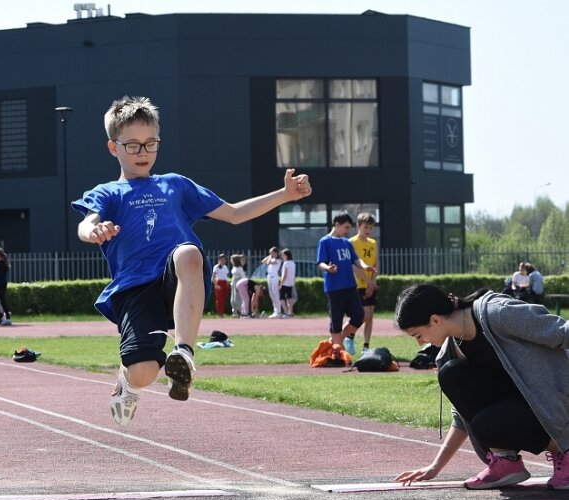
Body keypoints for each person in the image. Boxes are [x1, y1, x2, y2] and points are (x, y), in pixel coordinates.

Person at [72, 95, 311, 427]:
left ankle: (183, 352)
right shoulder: (109, 192)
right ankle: (127, 381)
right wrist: (93, 230)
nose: (143, 153)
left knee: (188, 253)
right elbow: (86, 222)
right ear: (114, 147)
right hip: (134, 288)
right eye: (133, 146)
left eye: (150, 144)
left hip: (175, 274)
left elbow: (235, 213)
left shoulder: (176, 185)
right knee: (144, 374)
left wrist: (285, 195)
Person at [393, 284, 569, 490]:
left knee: (484, 423)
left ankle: (564, 450)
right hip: (528, 409)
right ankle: (505, 462)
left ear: (435, 320)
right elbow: (462, 417)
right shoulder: (450, 351)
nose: (420, 343)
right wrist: (435, 467)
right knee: (451, 374)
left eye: (417, 335)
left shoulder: (498, 313)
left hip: (558, 406)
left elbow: (561, 332)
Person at [316, 212, 374, 353]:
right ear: (337, 224)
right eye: (346, 227)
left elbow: (355, 259)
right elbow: (320, 263)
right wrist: (328, 268)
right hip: (334, 288)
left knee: (359, 315)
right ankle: (338, 352)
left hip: (350, 287)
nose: (348, 231)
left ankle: (336, 342)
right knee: (336, 321)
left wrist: (365, 266)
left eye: (349, 228)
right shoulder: (325, 241)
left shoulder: (346, 243)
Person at [348, 212, 379, 354]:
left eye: (371, 228)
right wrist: (367, 282)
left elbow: (375, 263)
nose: (368, 230)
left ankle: (366, 347)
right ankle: (349, 335)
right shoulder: (352, 242)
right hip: (357, 284)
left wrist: (372, 282)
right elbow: (354, 266)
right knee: (363, 315)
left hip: (370, 284)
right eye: (366, 227)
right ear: (358, 226)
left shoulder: (373, 243)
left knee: (370, 316)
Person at [0, 247, 12, 325]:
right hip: (1, 286)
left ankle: (5, 317)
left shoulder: (1, 265)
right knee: (1, 302)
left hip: (0, 286)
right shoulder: (0, 264)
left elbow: (0, 279)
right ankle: (5, 317)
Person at [262, 247, 282, 318]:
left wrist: (270, 257)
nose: (272, 254)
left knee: (275, 294)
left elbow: (268, 262)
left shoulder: (278, 260)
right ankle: (275, 311)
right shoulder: (272, 258)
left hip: (274, 277)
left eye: (273, 253)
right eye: (270, 253)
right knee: (271, 294)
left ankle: (278, 312)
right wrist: (270, 255)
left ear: (276, 253)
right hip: (269, 277)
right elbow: (263, 261)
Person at [279, 248, 296, 317]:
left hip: (285, 283)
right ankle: (290, 312)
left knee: (281, 297)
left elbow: (284, 274)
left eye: (283, 255)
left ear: (286, 255)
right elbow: (294, 274)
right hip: (291, 283)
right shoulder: (293, 263)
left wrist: (281, 283)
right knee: (289, 297)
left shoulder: (286, 263)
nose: (282, 256)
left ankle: (286, 312)